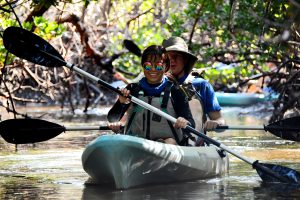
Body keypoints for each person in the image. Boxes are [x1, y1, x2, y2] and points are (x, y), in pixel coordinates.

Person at [107, 45, 196, 145]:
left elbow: (191, 125)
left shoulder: (175, 91)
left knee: (169, 142)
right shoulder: (132, 89)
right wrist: (121, 103)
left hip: (167, 143)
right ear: (143, 66)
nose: (153, 69)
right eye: (148, 65)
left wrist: (185, 122)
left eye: (158, 66)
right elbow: (111, 118)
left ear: (165, 67)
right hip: (136, 143)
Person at [162, 36, 225, 135]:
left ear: (185, 59)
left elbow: (220, 120)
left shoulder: (201, 85)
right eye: (167, 57)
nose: (171, 61)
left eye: (176, 56)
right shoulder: (157, 85)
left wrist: (216, 123)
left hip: (193, 143)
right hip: (165, 140)